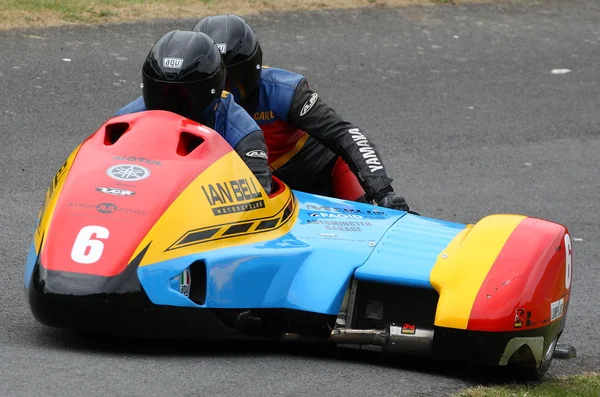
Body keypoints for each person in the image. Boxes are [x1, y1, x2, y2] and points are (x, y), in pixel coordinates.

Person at [191, 14, 410, 211]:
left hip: (326, 176)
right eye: (216, 78)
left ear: (252, 68)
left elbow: (346, 134)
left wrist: (383, 192)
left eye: (230, 77)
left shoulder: (285, 91)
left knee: (375, 216)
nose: (223, 88)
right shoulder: (185, 100)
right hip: (270, 189)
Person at [114, 29, 272, 194]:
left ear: (212, 90)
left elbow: (260, 194)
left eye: (182, 95)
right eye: (162, 93)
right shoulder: (125, 120)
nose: (171, 104)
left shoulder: (242, 131)